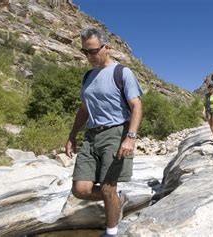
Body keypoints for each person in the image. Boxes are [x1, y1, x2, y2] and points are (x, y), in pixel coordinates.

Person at [65, 27, 143, 237]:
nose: (89, 56)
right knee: (80, 190)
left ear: (106, 47)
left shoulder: (122, 72)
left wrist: (130, 138)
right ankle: (118, 199)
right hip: (91, 136)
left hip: (116, 134)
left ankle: (111, 232)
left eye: (92, 51)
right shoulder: (87, 76)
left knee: (108, 189)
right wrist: (72, 136)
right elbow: (83, 109)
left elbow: (136, 106)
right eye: (85, 52)